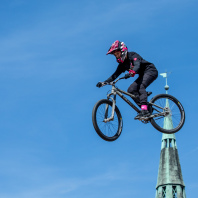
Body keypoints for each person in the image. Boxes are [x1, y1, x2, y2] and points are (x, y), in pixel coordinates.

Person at [96, 40, 158, 119]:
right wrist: (104, 82)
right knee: (131, 90)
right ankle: (147, 108)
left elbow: (137, 65)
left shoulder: (133, 55)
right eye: (115, 55)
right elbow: (114, 75)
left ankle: (144, 110)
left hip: (151, 71)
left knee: (141, 86)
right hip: (143, 75)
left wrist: (132, 72)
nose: (117, 56)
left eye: (117, 54)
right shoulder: (122, 65)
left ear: (123, 51)